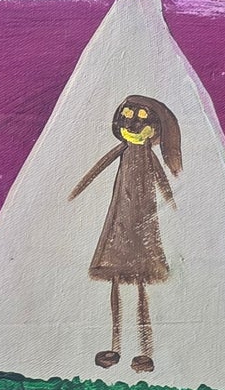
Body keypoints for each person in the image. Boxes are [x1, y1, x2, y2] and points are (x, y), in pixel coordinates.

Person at [68, 94, 182, 372]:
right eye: (127, 118)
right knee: (117, 283)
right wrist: (76, 191)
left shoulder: (148, 156)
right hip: (118, 225)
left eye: (141, 121)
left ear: (156, 129)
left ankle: (145, 351)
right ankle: (115, 346)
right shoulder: (124, 150)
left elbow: (164, 184)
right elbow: (94, 171)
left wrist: (173, 204)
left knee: (141, 287)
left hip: (143, 229)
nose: (132, 125)